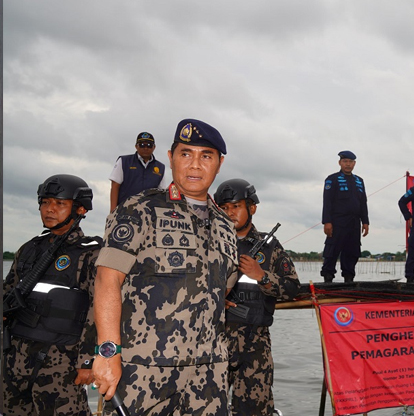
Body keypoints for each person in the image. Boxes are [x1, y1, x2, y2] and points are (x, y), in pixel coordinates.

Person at [92, 119, 239, 415]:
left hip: (209, 376)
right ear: (170, 158)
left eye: (206, 156)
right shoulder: (139, 209)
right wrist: (108, 353)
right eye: (186, 154)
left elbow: (224, 289)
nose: (195, 165)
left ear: (219, 164)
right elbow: (107, 280)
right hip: (143, 372)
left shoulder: (226, 225)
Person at [2, 174, 101, 416]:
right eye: (45, 202)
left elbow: (97, 310)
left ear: (79, 209)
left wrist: (87, 361)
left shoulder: (92, 254)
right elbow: (8, 292)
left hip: (60, 362)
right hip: (15, 357)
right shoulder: (28, 249)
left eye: (59, 203)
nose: (49, 209)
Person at [214, 179, 300, 416]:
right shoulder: (208, 243)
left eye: (236, 206)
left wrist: (262, 276)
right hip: (212, 343)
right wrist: (216, 300)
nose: (230, 213)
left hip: (255, 345)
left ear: (252, 208)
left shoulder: (269, 247)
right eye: (224, 208)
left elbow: (293, 289)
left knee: (254, 411)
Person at [320, 150, 369, 283]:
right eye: (345, 161)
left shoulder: (359, 181)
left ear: (354, 164)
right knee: (332, 251)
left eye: (350, 162)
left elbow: (363, 203)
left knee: (352, 251)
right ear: (340, 163)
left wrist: (365, 222)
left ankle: (349, 279)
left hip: (354, 223)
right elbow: (327, 202)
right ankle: (328, 278)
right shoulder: (332, 179)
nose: (348, 164)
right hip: (337, 222)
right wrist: (327, 222)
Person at [108, 131, 169, 212]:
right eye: (142, 145)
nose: (145, 148)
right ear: (136, 146)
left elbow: (161, 193)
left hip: (148, 214)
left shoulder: (161, 167)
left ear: (154, 147)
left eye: (149, 145)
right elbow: (115, 186)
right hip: (124, 211)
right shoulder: (123, 161)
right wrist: (112, 211)